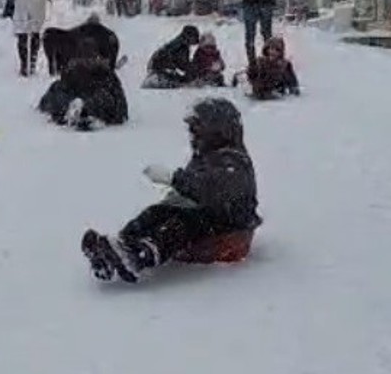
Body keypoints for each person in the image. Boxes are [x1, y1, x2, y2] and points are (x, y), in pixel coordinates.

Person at [80, 97, 263, 283]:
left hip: (229, 229)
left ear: (216, 130)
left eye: (197, 129)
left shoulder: (234, 161)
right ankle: (121, 246)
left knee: (183, 222)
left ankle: (141, 255)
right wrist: (172, 200)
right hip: (210, 215)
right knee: (159, 212)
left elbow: (208, 189)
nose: (192, 135)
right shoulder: (205, 157)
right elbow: (193, 191)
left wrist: (174, 179)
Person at [37, 37, 128, 131]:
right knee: (60, 91)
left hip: (92, 103)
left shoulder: (104, 71)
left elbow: (117, 97)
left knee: (101, 97)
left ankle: (81, 111)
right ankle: (79, 111)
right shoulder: (73, 70)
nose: (87, 61)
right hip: (80, 101)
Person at [235, 36, 300, 100]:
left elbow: (291, 78)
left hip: (276, 88)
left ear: (280, 52)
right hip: (260, 87)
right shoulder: (260, 61)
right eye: (271, 49)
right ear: (267, 49)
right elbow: (251, 73)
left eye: (277, 50)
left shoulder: (284, 64)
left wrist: (293, 88)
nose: (273, 52)